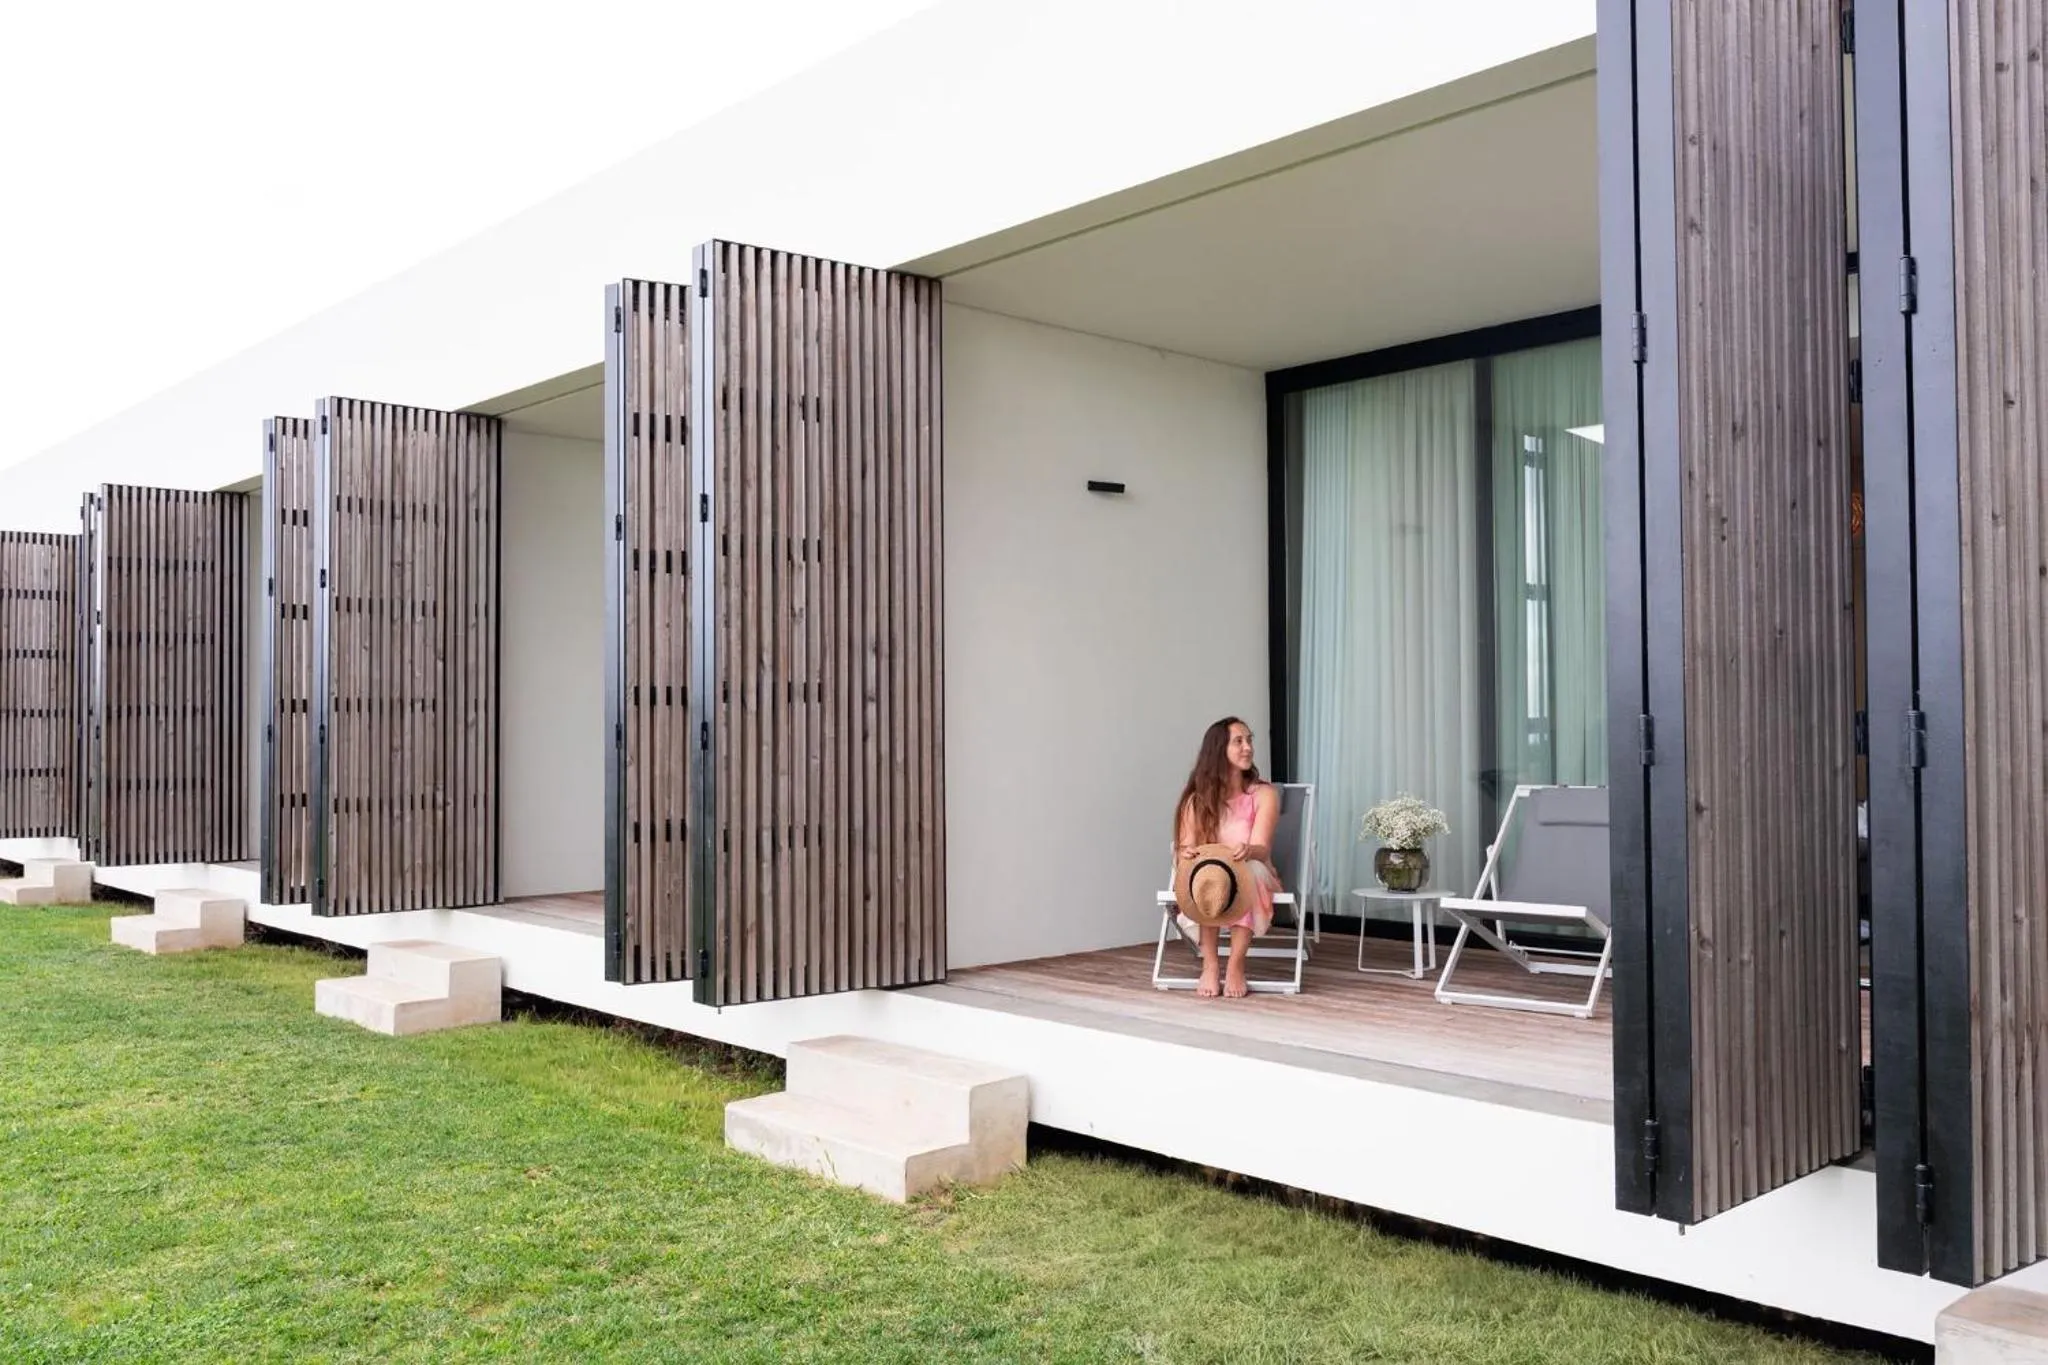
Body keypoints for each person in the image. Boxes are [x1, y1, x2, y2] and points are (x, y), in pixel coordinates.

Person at [1173, 716, 1281, 999]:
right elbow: (1185, 847)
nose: (1248, 747)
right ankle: (1210, 964)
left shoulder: (1263, 794)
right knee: (1208, 876)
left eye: (1249, 740)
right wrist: (1186, 853)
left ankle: (1235, 964)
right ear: (1219, 749)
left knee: (1248, 871)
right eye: (1239, 741)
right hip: (1211, 873)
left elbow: (1262, 848)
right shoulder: (1196, 800)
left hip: (1253, 868)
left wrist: (1248, 850)